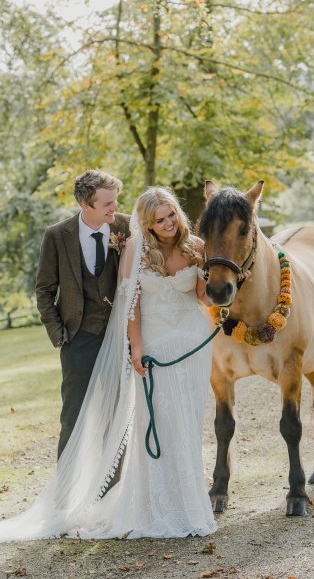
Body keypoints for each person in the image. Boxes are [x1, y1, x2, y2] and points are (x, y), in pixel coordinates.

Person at [0, 186, 216, 541]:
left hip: (191, 344)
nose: (167, 223)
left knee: (188, 422)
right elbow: (130, 305)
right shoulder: (135, 248)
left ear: (178, 212)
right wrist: (136, 347)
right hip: (155, 345)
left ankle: (190, 503)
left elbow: (202, 296)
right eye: (159, 219)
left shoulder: (196, 246)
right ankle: (152, 506)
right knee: (160, 421)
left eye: (171, 215)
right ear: (147, 223)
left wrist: (222, 283)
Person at [36, 169, 130, 458]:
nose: (115, 208)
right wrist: (59, 335)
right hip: (77, 337)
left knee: (117, 414)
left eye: (116, 200)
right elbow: (44, 290)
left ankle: (111, 489)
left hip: (119, 337)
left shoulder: (126, 228)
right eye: (107, 204)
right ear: (85, 205)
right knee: (74, 415)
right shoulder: (56, 235)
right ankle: (66, 491)